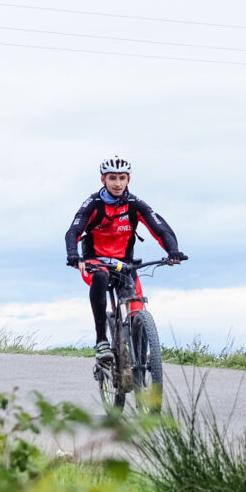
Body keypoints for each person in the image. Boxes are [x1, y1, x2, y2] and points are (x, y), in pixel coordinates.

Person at [65, 155, 186, 363]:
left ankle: (141, 363)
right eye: (112, 178)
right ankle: (102, 341)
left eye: (122, 178)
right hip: (95, 262)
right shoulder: (93, 204)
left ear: (128, 179)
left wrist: (173, 250)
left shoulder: (134, 204)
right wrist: (73, 255)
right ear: (103, 179)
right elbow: (73, 231)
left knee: (137, 310)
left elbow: (160, 228)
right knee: (101, 276)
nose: (117, 183)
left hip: (125, 265)